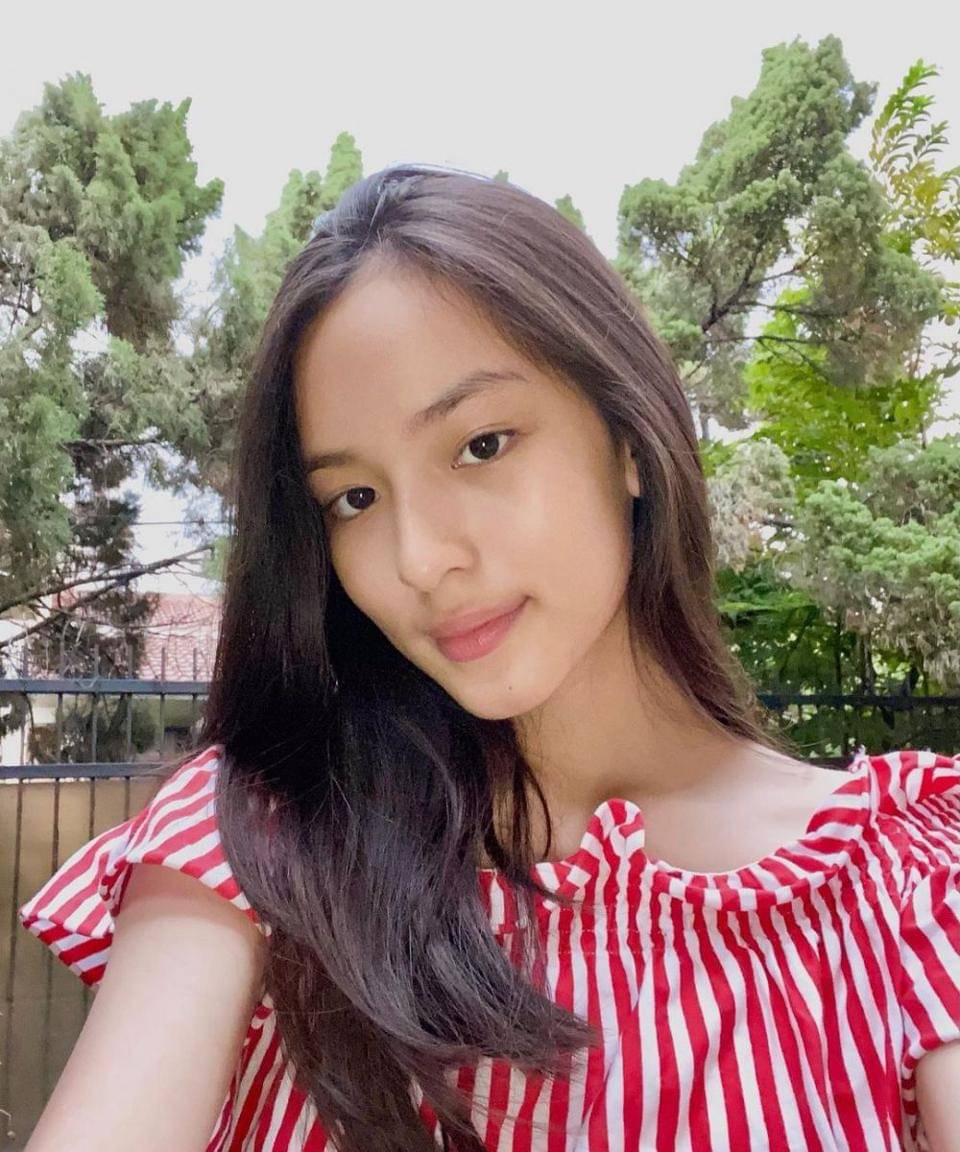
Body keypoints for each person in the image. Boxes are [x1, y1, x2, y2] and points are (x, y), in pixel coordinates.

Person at [17, 165, 960, 1152]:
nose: (419, 559)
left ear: (628, 437)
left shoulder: (906, 887)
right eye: (355, 499)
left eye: (481, 445)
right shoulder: (262, 843)